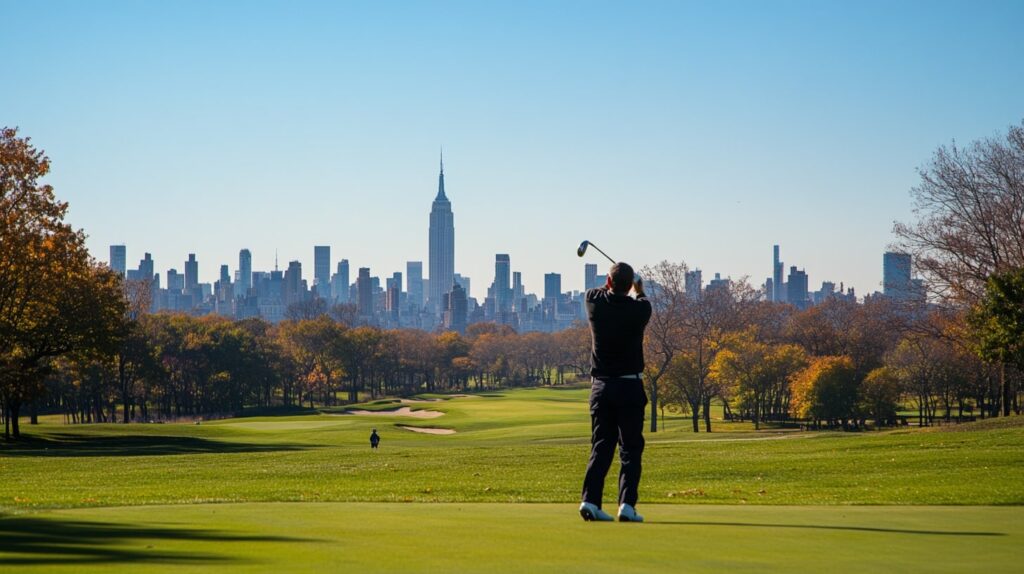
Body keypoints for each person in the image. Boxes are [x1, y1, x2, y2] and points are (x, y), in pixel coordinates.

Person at [579, 262, 652, 523]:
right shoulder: (641, 308)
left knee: (601, 446)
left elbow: (597, 291)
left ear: (608, 283)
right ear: (629, 285)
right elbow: (641, 298)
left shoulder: (594, 303)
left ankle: (590, 500)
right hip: (630, 387)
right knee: (630, 448)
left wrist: (614, 281)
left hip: (601, 388)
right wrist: (639, 288)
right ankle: (626, 506)